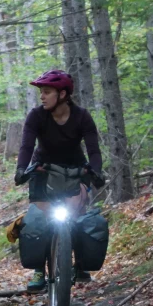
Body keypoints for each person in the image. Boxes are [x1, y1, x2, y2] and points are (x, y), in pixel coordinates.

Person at [13, 69, 105, 292]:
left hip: (75, 170)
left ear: (62, 94)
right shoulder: (36, 116)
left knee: (78, 216)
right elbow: (26, 146)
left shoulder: (82, 116)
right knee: (39, 220)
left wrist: (95, 171)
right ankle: (39, 269)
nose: (42, 96)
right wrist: (21, 169)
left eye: (47, 92)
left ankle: (80, 263)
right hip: (43, 169)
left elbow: (94, 150)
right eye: (41, 92)